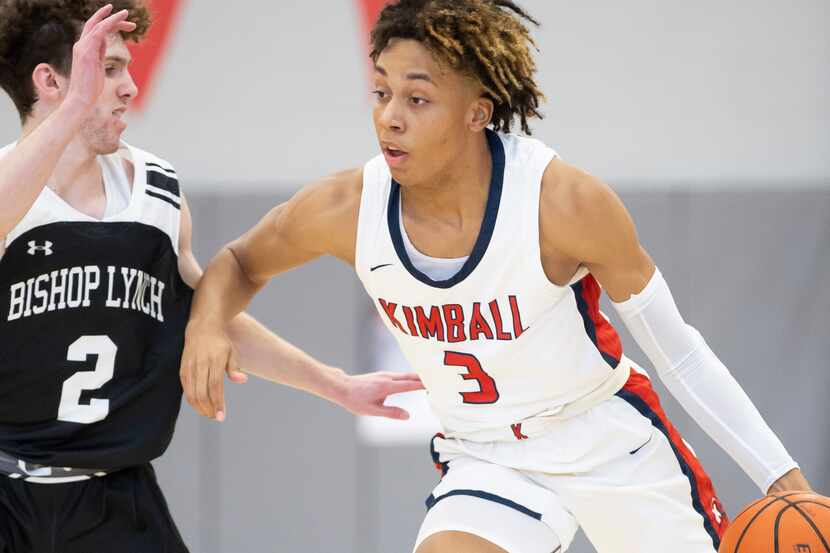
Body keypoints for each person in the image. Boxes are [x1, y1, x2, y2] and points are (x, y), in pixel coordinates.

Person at [180, 1, 813, 552]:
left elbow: (680, 353)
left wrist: (782, 479)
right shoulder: (349, 207)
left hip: (604, 439)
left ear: (477, 112)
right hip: (487, 454)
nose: (389, 117)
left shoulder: (561, 202)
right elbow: (238, 262)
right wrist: (208, 324)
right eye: (381, 92)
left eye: (417, 98)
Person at [0, 2, 421, 551]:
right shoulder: (11, 191)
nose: (129, 87)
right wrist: (75, 106)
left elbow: (210, 315)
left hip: (116, 501)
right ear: (50, 81)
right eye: (109, 69)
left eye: (127, 68)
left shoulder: (155, 192)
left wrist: (334, 384)